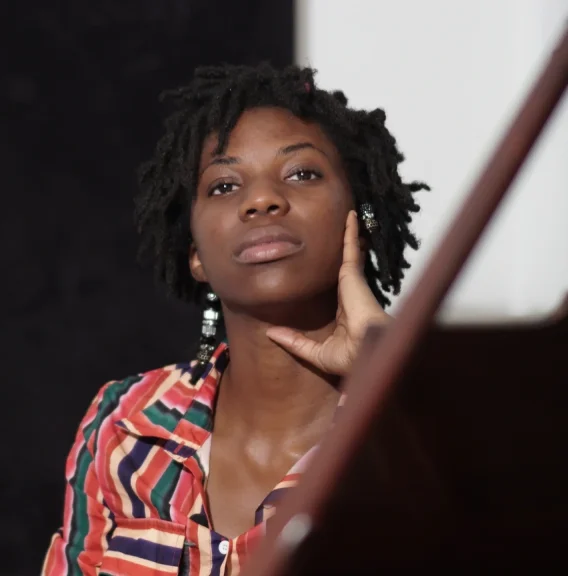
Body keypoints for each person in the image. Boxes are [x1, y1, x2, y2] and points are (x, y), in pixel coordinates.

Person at [41, 62, 429, 576]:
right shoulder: (125, 425)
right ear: (195, 253)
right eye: (224, 186)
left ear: (360, 216)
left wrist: (382, 357)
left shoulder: (420, 435)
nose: (263, 200)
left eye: (302, 174)